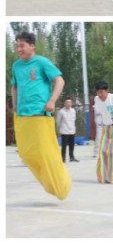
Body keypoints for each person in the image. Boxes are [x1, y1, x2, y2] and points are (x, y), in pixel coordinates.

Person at [11, 31, 70, 199]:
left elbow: (60, 80)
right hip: (22, 115)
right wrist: (14, 105)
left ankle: (61, 184)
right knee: (25, 153)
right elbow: (14, 86)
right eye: (17, 46)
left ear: (32, 46)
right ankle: (50, 183)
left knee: (46, 153)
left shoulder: (42, 62)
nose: (19, 49)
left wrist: (52, 100)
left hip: (40, 114)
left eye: (22, 46)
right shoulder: (16, 66)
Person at [56, 97, 79, 163]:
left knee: (72, 145)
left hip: (72, 130)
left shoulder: (73, 110)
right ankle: (63, 158)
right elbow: (58, 121)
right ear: (64, 103)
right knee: (64, 145)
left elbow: (74, 119)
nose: (68, 104)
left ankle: (71, 157)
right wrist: (61, 127)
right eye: (67, 102)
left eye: (70, 102)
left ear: (71, 103)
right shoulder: (61, 111)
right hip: (64, 130)